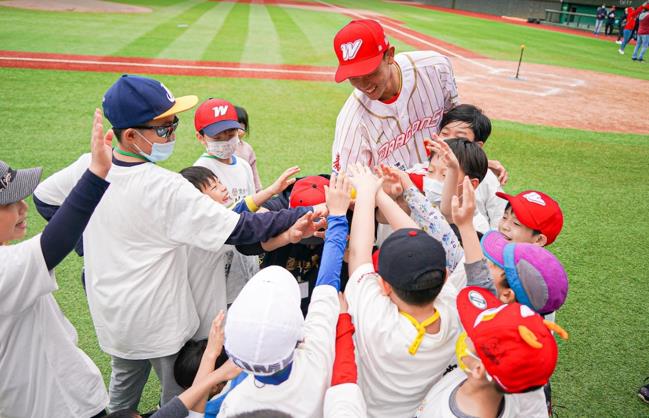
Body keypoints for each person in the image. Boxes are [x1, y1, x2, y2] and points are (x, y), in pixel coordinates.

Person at [33, 74, 317, 412]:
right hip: (163, 325)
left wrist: (89, 235)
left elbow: (45, 199)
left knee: (121, 396)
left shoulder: (92, 165)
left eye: (174, 122)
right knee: (179, 399)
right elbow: (241, 228)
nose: (173, 133)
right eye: (165, 128)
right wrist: (306, 210)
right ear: (131, 135)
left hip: (113, 319)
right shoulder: (166, 186)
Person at [0, 109, 112, 418]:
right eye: (10, 203)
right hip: (55, 407)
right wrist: (95, 175)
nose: (24, 207)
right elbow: (54, 244)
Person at [217, 173, 352, 417]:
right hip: (324, 306)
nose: (313, 239)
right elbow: (243, 239)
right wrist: (291, 236)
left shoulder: (234, 401)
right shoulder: (317, 357)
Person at [344, 164, 461, 417]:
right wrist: (378, 195)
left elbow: (357, 253)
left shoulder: (378, 319)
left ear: (384, 286)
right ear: (445, 278)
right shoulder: (452, 309)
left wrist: (367, 192)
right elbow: (421, 242)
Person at [179, 165, 322, 339]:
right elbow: (253, 222)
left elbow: (240, 208)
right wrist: (313, 210)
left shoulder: (217, 217)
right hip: (211, 312)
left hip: (232, 297)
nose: (223, 187)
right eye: (214, 188)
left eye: (220, 182)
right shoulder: (206, 228)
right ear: (198, 201)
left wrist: (271, 190)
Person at [413, 286, 568, 417]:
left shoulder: (438, 413)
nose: (465, 335)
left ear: (479, 369)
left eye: (471, 335)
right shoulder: (518, 385)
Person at [331, 19, 459, 173]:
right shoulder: (351, 121)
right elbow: (347, 185)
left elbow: (457, 124)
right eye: (353, 77)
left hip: (443, 182)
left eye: (369, 72)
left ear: (389, 55)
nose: (364, 84)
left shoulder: (436, 69)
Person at [234, 105, 262, 192]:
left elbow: (254, 172)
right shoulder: (223, 148)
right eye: (235, 126)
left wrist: (259, 190)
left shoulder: (247, 149)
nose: (238, 130)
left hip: (246, 190)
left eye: (242, 127)